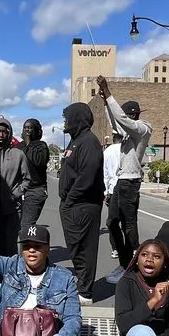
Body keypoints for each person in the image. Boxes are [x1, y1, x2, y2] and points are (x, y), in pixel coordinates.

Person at [98, 77, 151, 283]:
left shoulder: (143, 129)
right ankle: (125, 262)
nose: (131, 117)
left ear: (136, 115)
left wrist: (109, 93)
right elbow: (115, 122)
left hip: (131, 182)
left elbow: (123, 121)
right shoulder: (127, 134)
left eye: (132, 115)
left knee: (129, 227)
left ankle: (131, 268)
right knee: (112, 223)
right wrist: (105, 101)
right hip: (121, 182)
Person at [59, 102, 106, 305]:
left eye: (67, 117)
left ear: (77, 118)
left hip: (83, 205)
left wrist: (70, 201)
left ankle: (85, 292)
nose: (65, 121)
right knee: (76, 247)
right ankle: (81, 284)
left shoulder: (89, 142)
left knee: (85, 248)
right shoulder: (76, 141)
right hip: (72, 205)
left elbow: (87, 175)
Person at [0, 116, 30, 255]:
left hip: (13, 209)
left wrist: (15, 195)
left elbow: (27, 180)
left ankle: (12, 274)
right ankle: (1, 274)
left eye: (4, 131)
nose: (1, 135)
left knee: (11, 245)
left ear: (9, 133)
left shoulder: (18, 155)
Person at [19, 119, 50, 233]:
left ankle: (27, 250)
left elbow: (38, 162)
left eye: (30, 127)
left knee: (26, 225)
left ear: (36, 130)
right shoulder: (19, 146)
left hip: (35, 190)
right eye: (25, 127)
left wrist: (29, 144)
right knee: (17, 225)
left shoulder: (41, 146)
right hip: (20, 189)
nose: (27, 130)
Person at [103, 132, 122, 260]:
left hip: (113, 189)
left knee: (113, 221)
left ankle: (115, 248)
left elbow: (105, 174)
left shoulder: (107, 151)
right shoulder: (128, 149)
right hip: (128, 187)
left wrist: (106, 192)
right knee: (129, 221)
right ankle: (131, 248)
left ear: (114, 138)